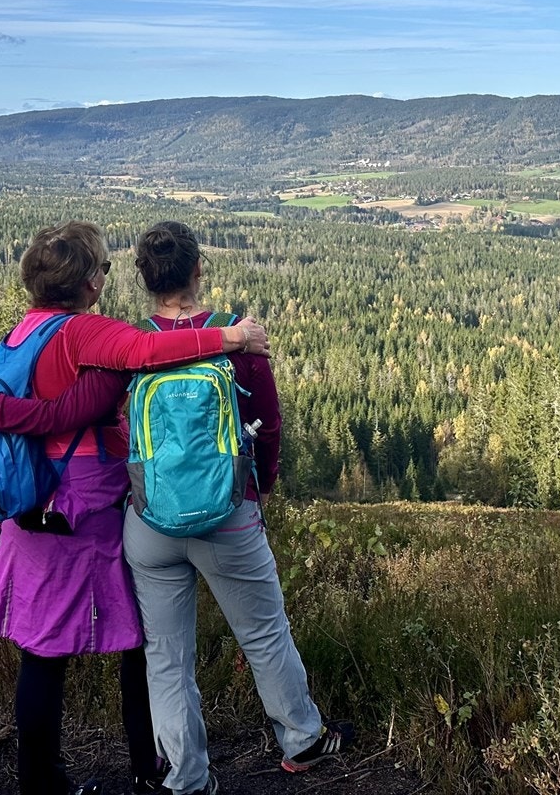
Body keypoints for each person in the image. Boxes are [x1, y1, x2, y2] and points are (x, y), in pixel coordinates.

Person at [0, 220, 269, 795]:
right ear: (88, 283)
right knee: (138, 639)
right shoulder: (83, 334)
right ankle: (147, 768)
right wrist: (229, 339)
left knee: (41, 652)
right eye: (101, 268)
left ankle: (44, 778)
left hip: (29, 506)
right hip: (83, 505)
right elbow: (144, 351)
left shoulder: (24, 333)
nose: (104, 277)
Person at [123, 220, 352, 795]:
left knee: (167, 658)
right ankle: (301, 739)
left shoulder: (129, 345)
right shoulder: (237, 337)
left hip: (149, 521)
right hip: (228, 515)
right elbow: (268, 423)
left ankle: (187, 778)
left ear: (146, 280)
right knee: (264, 633)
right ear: (199, 270)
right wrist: (264, 483)